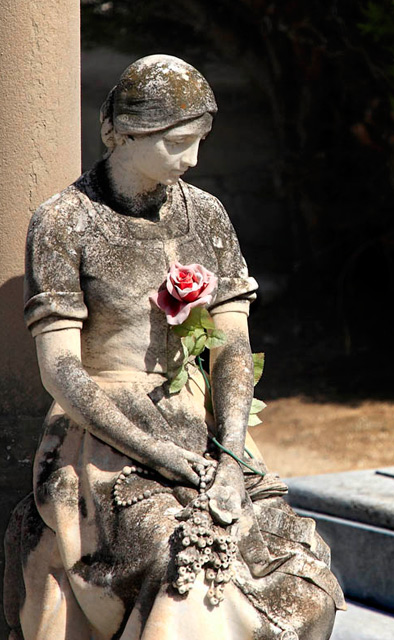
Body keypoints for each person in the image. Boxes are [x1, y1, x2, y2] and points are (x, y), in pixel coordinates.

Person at [4, 54, 344, 640]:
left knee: (296, 573)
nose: (192, 160)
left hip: (201, 432)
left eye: (201, 142)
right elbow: (61, 370)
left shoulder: (206, 213)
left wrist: (233, 454)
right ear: (122, 133)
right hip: (104, 441)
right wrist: (154, 453)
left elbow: (232, 345)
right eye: (178, 143)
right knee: (179, 562)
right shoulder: (64, 222)